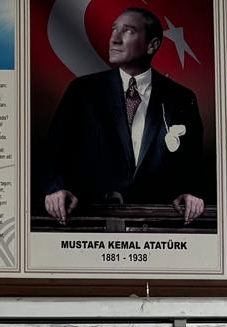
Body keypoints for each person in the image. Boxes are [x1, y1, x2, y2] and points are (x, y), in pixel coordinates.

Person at [40, 8, 207, 225]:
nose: (114, 39)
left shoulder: (182, 98)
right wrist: (55, 189)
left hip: (156, 222)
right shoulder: (82, 91)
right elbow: (53, 153)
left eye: (128, 31)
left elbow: (193, 164)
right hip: (91, 220)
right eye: (114, 30)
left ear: (152, 45)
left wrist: (191, 193)